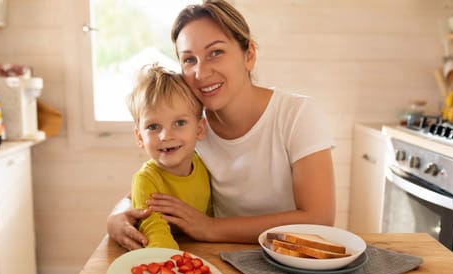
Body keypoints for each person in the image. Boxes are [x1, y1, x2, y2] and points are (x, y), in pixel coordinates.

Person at [107, 0, 336, 251]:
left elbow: (319, 218)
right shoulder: (190, 124)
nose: (201, 72)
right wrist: (118, 214)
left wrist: (210, 228)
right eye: (189, 60)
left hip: (291, 258)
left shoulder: (297, 114)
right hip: (224, 257)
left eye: (215, 53)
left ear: (249, 55)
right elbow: (154, 182)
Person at [127, 63, 211, 249]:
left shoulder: (206, 166)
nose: (166, 136)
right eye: (153, 127)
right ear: (140, 137)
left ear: (199, 129)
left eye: (179, 122)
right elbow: (155, 234)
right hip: (164, 256)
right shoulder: (145, 180)